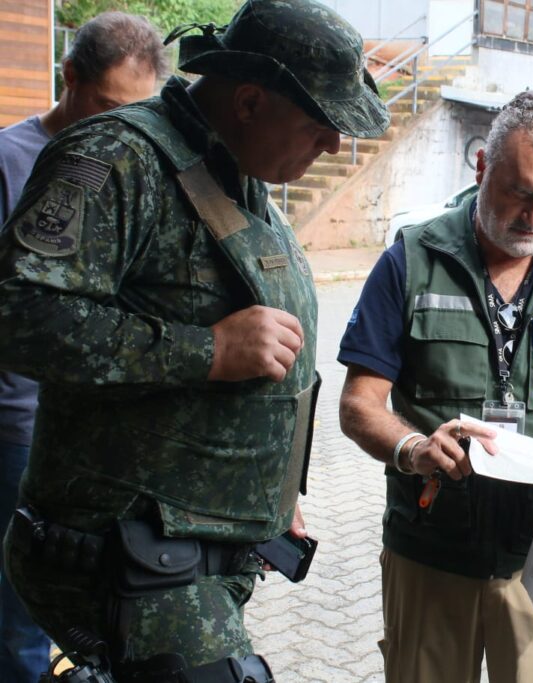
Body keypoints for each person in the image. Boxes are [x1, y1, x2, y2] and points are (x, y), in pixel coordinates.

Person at [0, 0, 389, 680]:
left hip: (193, 549)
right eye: (322, 125)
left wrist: (266, 489)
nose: (333, 146)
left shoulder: (231, 169)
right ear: (247, 101)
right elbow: (20, 315)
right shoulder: (117, 157)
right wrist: (205, 349)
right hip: (126, 551)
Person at [338, 90, 533, 683]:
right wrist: (413, 448)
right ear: (482, 166)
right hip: (431, 551)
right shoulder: (411, 259)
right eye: (520, 193)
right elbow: (359, 405)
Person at [0, 12, 164, 683]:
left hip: (103, 437)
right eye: (106, 107)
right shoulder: (9, 161)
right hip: (19, 428)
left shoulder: (138, 174)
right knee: (16, 615)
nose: (121, 128)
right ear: (68, 79)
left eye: (139, 113)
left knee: (87, 606)